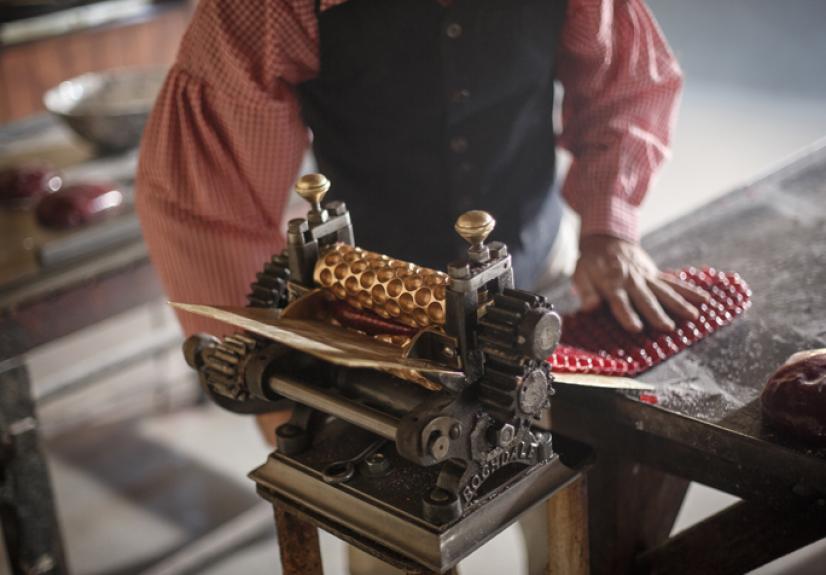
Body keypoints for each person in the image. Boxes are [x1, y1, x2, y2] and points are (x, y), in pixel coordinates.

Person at [135, 0, 708, 573]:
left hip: (538, 287)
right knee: (392, 544)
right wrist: (274, 369)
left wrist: (609, 230)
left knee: (579, 522)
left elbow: (627, 83)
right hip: (372, 330)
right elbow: (211, 195)